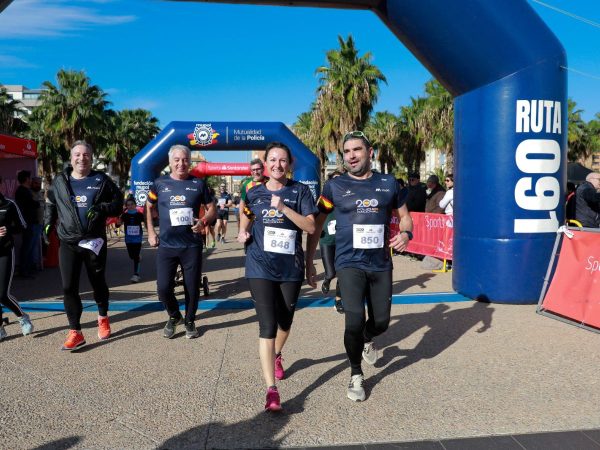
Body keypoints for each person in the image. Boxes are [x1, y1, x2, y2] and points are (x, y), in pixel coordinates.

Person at [306, 130, 413, 403]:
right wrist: (309, 260)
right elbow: (317, 224)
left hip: (380, 264)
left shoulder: (389, 183)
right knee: (353, 319)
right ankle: (356, 374)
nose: (351, 156)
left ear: (370, 152)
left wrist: (405, 234)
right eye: (347, 151)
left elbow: (405, 217)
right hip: (348, 262)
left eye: (357, 150)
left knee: (381, 322)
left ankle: (368, 339)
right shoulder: (334, 186)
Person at [237, 142, 317, 412]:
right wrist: (243, 231)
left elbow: (310, 225)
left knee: (285, 322)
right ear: (265, 162)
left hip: (290, 268)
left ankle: (277, 354)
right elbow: (246, 214)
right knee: (267, 326)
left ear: (289, 163)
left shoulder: (300, 191)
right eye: (272, 160)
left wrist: (283, 207)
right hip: (259, 266)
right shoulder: (254, 192)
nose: (277, 165)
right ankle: (271, 390)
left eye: (282, 160)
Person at [43, 140, 123, 351]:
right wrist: (48, 221)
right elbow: (51, 201)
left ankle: (103, 316)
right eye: (77, 154)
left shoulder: (101, 180)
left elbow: (118, 204)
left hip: (93, 242)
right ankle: (75, 332)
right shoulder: (60, 181)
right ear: (71, 158)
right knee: (68, 287)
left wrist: (101, 208)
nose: (81, 158)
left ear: (91, 158)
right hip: (68, 241)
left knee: (98, 283)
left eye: (86, 155)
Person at [146, 144, 216, 339]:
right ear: (170, 162)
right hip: (167, 245)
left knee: (192, 287)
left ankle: (190, 320)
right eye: (176, 159)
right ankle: (174, 315)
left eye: (185, 159)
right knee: (163, 288)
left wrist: (203, 221)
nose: (181, 163)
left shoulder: (198, 184)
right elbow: (148, 205)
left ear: (189, 161)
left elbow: (212, 209)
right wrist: (151, 231)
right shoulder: (159, 183)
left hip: (191, 245)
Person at [0, 176, 34, 340]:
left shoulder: (9, 204)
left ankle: (23, 317)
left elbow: (22, 226)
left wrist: (8, 229)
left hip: (5, 252)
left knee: (2, 294)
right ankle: (0, 329)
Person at [319, 170, 344, 314]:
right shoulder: (323, 200)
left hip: (343, 242)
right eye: (335, 180)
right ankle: (327, 279)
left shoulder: (348, 198)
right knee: (331, 272)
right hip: (327, 240)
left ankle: (338, 300)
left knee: (342, 273)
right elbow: (314, 220)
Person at [15, 170, 39, 278]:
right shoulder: (22, 191)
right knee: (27, 247)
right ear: (26, 179)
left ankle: (27, 269)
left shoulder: (24, 190)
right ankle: (24, 271)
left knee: (29, 246)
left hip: (29, 222)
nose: (30, 180)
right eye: (29, 178)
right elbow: (31, 205)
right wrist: (37, 203)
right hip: (27, 222)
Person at [118, 197, 145, 283]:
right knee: (131, 256)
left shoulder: (139, 214)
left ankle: (136, 275)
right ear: (126, 206)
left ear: (135, 205)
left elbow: (147, 222)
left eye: (132, 204)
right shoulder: (124, 215)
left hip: (137, 238)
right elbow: (117, 225)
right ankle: (137, 257)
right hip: (128, 239)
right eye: (128, 205)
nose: (130, 206)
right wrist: (118, 222)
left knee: (136, 257)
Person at [30, 176, 45, 272]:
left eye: (39, 183)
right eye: (36, 183)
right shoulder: (30, 193)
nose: (38, 185)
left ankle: (36, 263)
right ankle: (33, 265)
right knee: (32, 245)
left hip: (40, 222)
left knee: (37, 244)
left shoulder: (40, 193)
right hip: (33, 223)